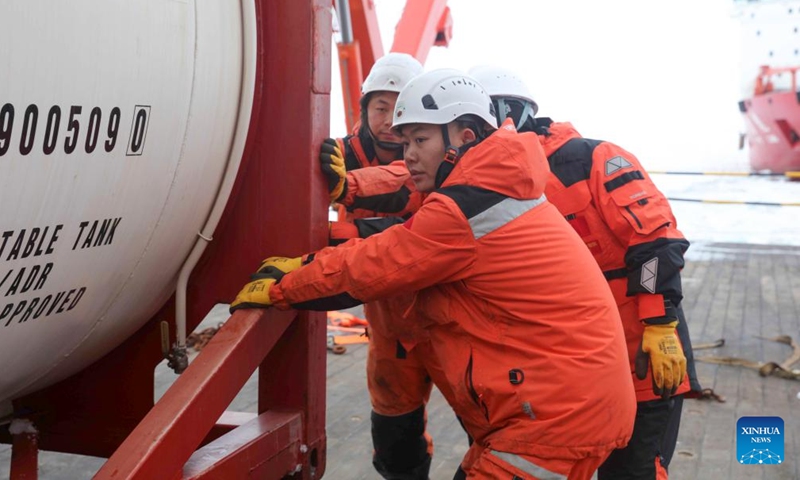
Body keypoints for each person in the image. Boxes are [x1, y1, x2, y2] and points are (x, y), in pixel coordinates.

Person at [231, 68, 636, 479]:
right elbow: (401, 200)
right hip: (559, 405)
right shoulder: (496, 182)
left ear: (464, 138)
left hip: (553, 420)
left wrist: (284, 286)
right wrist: (348, 193)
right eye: (405, 141)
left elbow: (377, 265)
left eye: (420, 140)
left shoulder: (468, 206)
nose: (407, 153)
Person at [468, 65, 700, 480]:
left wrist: (658, 321)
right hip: (565, 367)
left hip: (641, 353)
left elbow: (652, 245)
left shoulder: (593, 159)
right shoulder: (485, 184)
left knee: (635, 471)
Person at [319, 52, 437, 480]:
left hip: (445, 301)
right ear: (365, 108)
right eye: (380, 107)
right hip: (387, 310)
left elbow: (406, 192)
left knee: (486, 420)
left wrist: (345, 217)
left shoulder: (439, 153)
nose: (388, 119)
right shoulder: (336, 154)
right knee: (394, 430)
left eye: (398, 106)